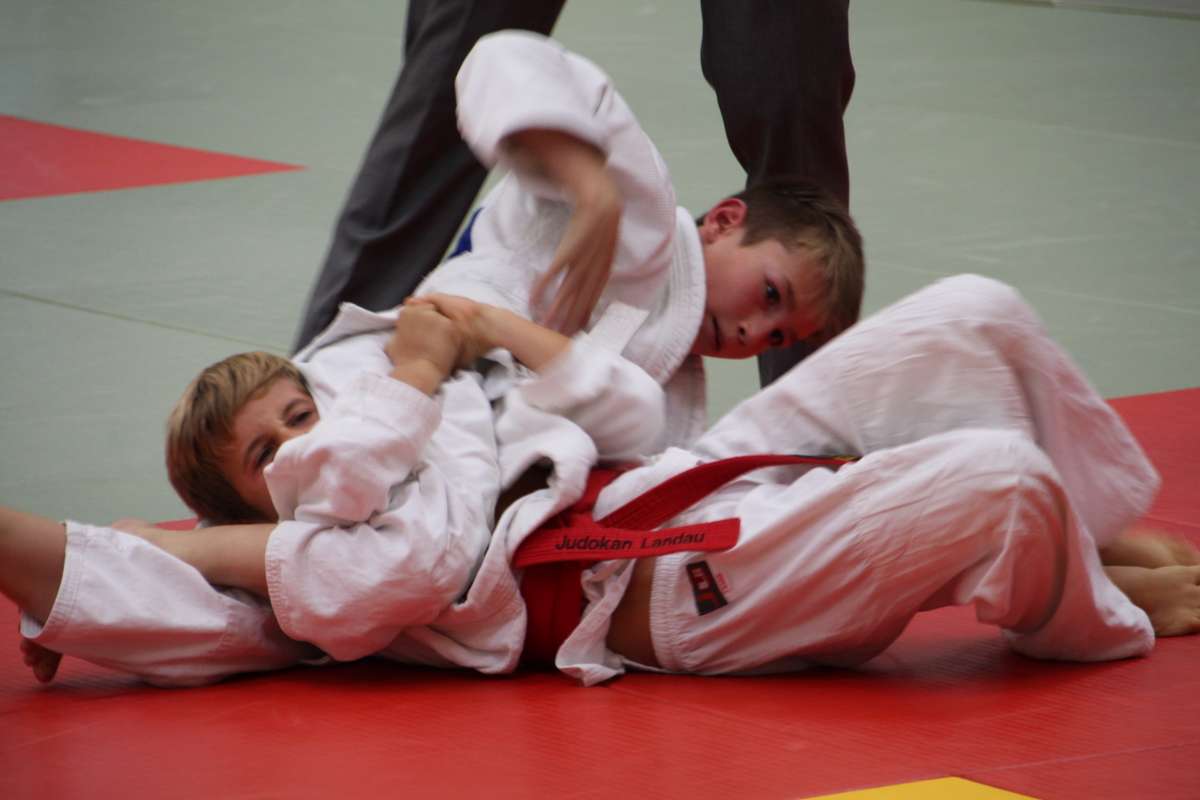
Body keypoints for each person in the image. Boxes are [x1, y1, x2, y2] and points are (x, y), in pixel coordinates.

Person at [5, 275, 1199, 689]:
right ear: (241, 506)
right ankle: (1078, 612)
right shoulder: (302, 557)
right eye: (268, 454)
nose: (304, 441)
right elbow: (216, 575)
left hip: (693, 473)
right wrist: (150, 550)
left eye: (300, 412)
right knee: (1000, 476)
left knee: (974, 313)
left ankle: (1074, 537)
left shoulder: (397, 407)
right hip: (678, 582)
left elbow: (616, 404)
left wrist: (471, 351)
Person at [293, 2, 855, 390]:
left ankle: (806, 439)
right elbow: (497, 58)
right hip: (407, 370)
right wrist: (592, 188)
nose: (752, 332)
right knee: (449, 71)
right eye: (768, 296)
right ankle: (307, 390)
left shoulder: (671, 386)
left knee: (790, 94)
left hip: (468, 432)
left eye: (776, 336)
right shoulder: (640, 204)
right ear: (724, 220)